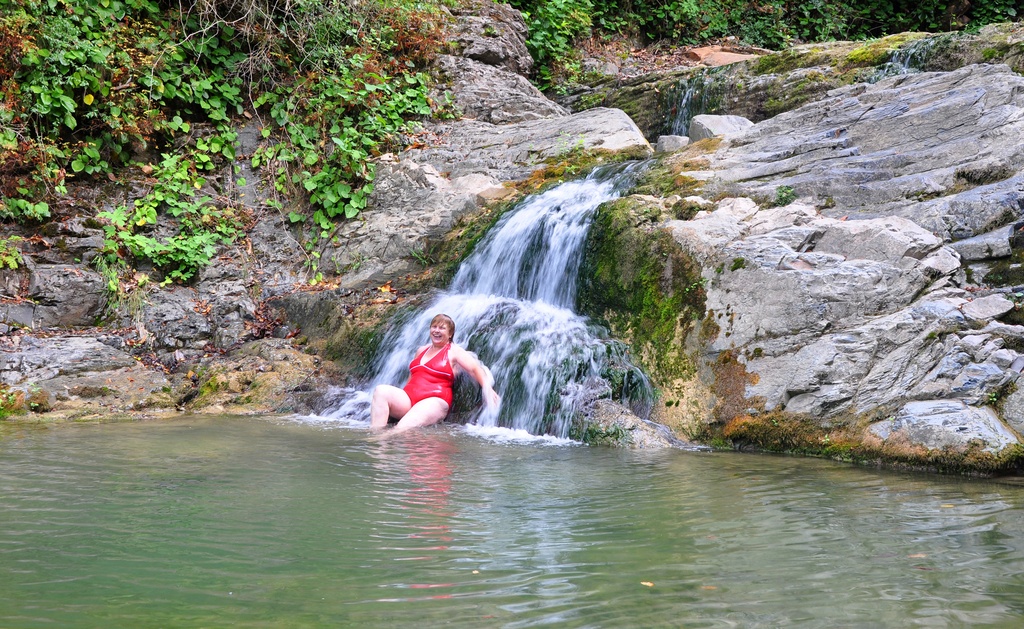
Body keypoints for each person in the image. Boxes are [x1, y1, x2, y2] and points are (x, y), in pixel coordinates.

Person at [370, 313, 500, 436]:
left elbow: (475, 369)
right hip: (409, 399)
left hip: (435, 401)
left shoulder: (454, 351)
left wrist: (487, 388)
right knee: (381, 390)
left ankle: (378, 443)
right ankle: (375, 436)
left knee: (400, 429)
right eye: (434, 327)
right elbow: (413, 376)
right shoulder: (421, 350)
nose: (436, 330)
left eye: (442, 328)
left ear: (450, 334)